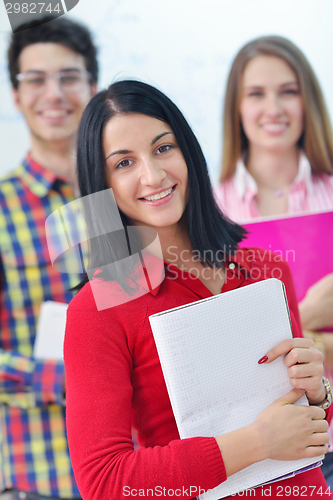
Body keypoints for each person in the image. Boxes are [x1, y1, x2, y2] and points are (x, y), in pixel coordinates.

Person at [64, 80, 332, 500]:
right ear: (103, 186)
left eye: (163, 148)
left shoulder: (267, 270)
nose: (152, 175)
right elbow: (104, 482)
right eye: (123, 164)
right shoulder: (96, 311)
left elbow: (310, 430)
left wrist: (317, 391)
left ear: (188, 150)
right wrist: (256, 443)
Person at [214, 35, 333, 486]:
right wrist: (308, 315)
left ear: (308, 100)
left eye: (288, 91)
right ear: (236, 108)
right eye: (256, 93)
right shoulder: (207, 209)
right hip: (261, 449)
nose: (274, 108)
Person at [0, 16, 98, 499]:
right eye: (35, 79)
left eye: (69, 77)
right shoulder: (1, 209)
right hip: (41, 473)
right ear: (16, 96)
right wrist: (73, 377)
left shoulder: (134, 199)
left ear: (93, 87)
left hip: (140, 467)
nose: (53, 93)